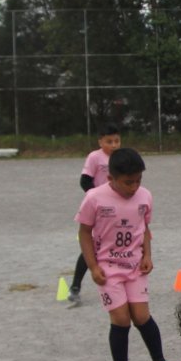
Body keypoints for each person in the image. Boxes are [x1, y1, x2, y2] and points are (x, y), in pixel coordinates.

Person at [75, 147, 170, 361]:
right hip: (107, 268)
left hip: (135, 266)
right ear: (110, 179)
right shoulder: (94, 198)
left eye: (138, 181)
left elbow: (144, 229)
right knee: (120, 319)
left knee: (141, 316)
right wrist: (93, 266)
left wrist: (147, 255)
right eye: (128, 182)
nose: (134, 187)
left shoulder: (145, 197)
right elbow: (84, 233)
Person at [68, 123, 122, 306]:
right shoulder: (95, 157)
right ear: (100, 141)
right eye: (109, 141)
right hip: (101, 210)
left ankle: (122, 281)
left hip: (119, 209)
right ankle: (75, 287)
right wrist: (97, 199)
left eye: (116, 141)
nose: (114, 145)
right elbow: (84, 181)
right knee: (92, 247)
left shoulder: (121, 158)